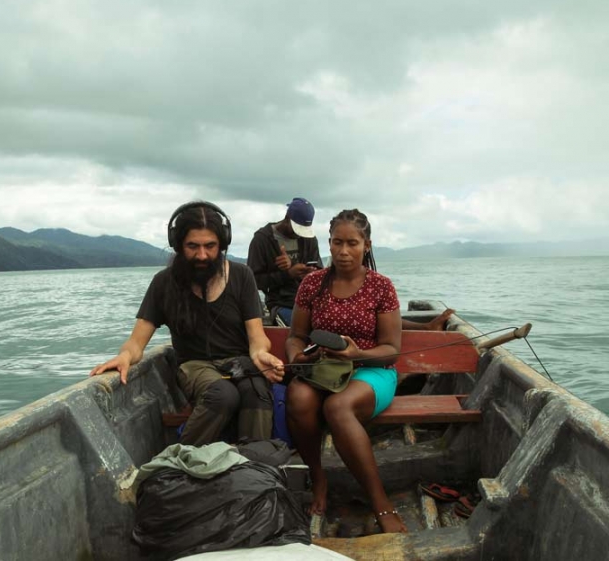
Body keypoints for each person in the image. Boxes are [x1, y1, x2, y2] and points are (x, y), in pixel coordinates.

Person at [90, 201, 285, 446]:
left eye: (210, 246)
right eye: (193, 246)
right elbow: (137, 341)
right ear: (179, 245)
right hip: (194, 365)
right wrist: (125, 357)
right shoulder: (164, 282)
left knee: (256, 392)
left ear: (222, 244)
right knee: (222, 395)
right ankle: (181, 460)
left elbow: (256, 337)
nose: (202, 255)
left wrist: (260, 355)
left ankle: (254, 467)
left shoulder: (242, 275)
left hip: (239, 361)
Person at [285, 208, 408, 533]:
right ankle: (319, 477)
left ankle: (380, 503)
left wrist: (358, 354)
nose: (343, 251)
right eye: (337, 242)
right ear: (328, 243)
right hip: (324, 370)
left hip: (372, 370)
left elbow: (391, 350)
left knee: (337, 406)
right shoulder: (312, 284)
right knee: (297, 396)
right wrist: (299, 355)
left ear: (366, 245)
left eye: (352, 243)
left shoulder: (381, 286)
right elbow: (296, 336)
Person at [247, 197, 323, 326]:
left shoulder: (309, 239)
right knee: (298, 327)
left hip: (311, 302)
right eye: (297, 229)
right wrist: (287, 274)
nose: (299, 235)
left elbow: (320, 272)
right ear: (287, 218)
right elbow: (254, 281)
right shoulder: (262, 240)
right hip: (281, 303)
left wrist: (310, 274)